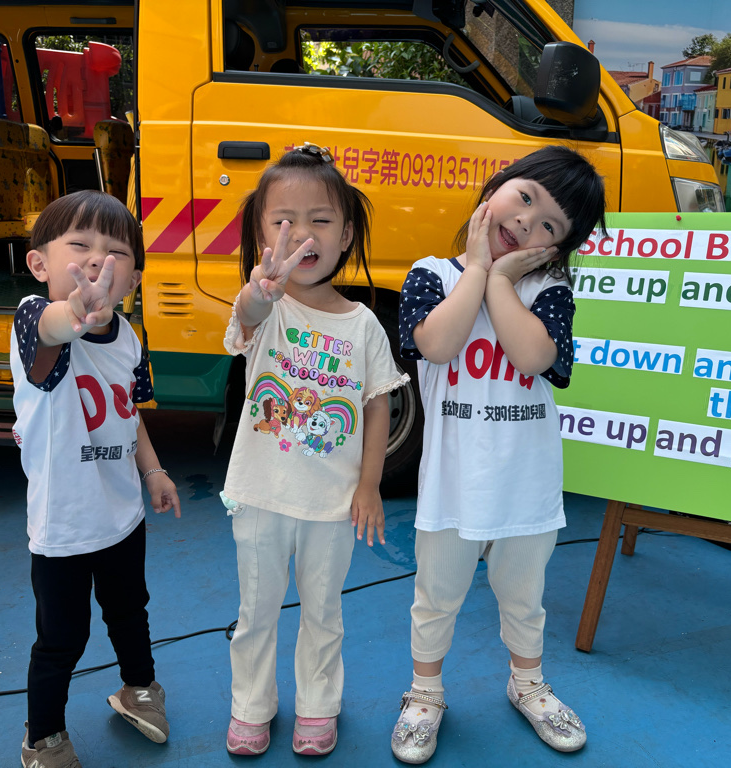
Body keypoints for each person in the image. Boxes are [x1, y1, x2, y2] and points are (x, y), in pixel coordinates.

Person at [391, 145, 607, 763]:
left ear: (557, 251)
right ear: (497, 186)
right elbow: (437, 344)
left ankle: (527, 683)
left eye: (549, 227)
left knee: (523, 597)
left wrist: (502, 280)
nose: (526, 222)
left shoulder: (548, 291)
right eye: (525, 198)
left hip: (525, 487)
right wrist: (480, 270)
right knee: (435, 596)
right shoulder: (431, 275)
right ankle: (425, 693)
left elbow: (534, 356)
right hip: (451, 485)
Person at [220, 144, 409, 757]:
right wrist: (260, 291)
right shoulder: (266, 307)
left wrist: (369, 485)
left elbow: (377, 406)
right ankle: (251, 705)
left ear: (346, 233)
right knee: (256, 611)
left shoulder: (363, 324)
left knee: (324, 612)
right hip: (260, 495)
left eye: (320, 220)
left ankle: (319, 705)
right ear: (261, 235)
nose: (302, 235)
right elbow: (246, 314)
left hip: (331, 503)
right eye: (284, 221)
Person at [10, 189, 181, 768]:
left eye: (116, 253)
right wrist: (77, 311)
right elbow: (56, 325)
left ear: (134, 276)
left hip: (122, 514)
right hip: (63, 526)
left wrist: (153, 470)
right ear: (40, 263)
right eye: (79, 245)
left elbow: (129, 412)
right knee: (62, 638)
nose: (96, 260)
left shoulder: (130, 336)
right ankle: (44, 737)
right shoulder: (34, 318)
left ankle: (140, 688)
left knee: (131, 610)